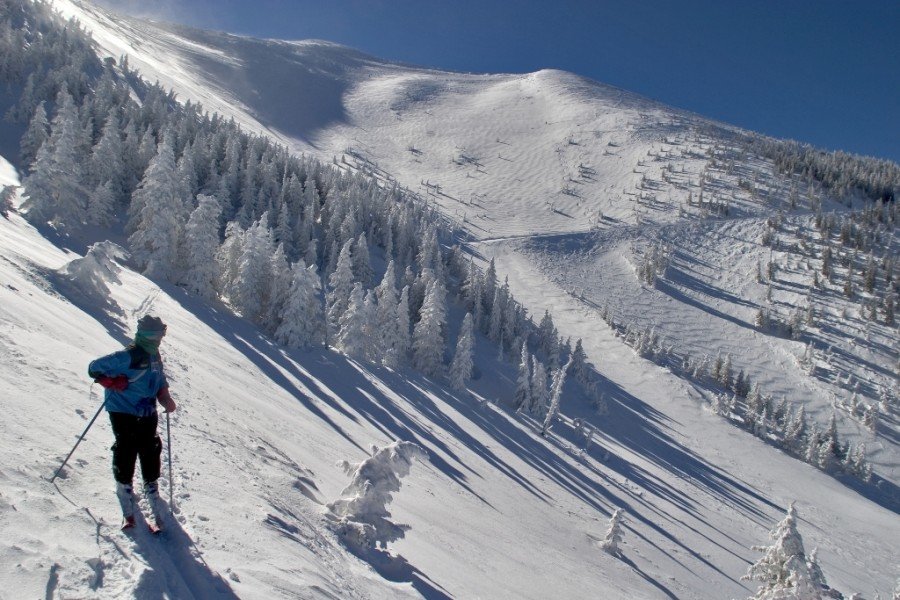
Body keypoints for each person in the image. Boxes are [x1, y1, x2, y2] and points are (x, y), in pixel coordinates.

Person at [88, 315, 176, 529]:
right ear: (146, 335)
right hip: (123, 409)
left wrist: (164, 395)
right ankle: (124, 484)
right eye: (156, 335)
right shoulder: (129, 355)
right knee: (126, 447)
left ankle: (150, 483)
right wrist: (111, 382)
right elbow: (94, 368)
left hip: (147, 410)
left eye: (161, 334)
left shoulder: (154, 355)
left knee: (150, 447)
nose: (159, 339)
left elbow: (158, 376)